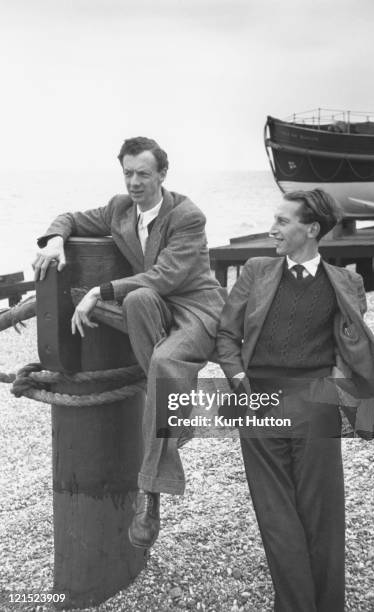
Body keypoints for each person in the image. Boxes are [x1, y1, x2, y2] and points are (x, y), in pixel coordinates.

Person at [32, 136, 225, 549]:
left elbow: (167, 278)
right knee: (137, 304)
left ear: (162, 174)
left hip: (193, 308)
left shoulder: (187, 215)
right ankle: (175, 414)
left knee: (162, 362)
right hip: (148, 309)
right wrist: (55, 240)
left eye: (143, 173)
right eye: (128, 173)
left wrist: (97, 292)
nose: (134, 182)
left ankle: (150, 494)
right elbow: (71, 217)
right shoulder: (120, 209)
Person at [216, 189, 374, 612]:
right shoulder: (256, 271)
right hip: (258, 402)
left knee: (322, 513)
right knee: (275, 513)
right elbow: (226, 335)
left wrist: (339, 380)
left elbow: (352, 346)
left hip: (316, 404)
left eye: (282, 221)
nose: (272, 228)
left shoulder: (348, 283)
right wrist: (238, 377)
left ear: (311, 229)